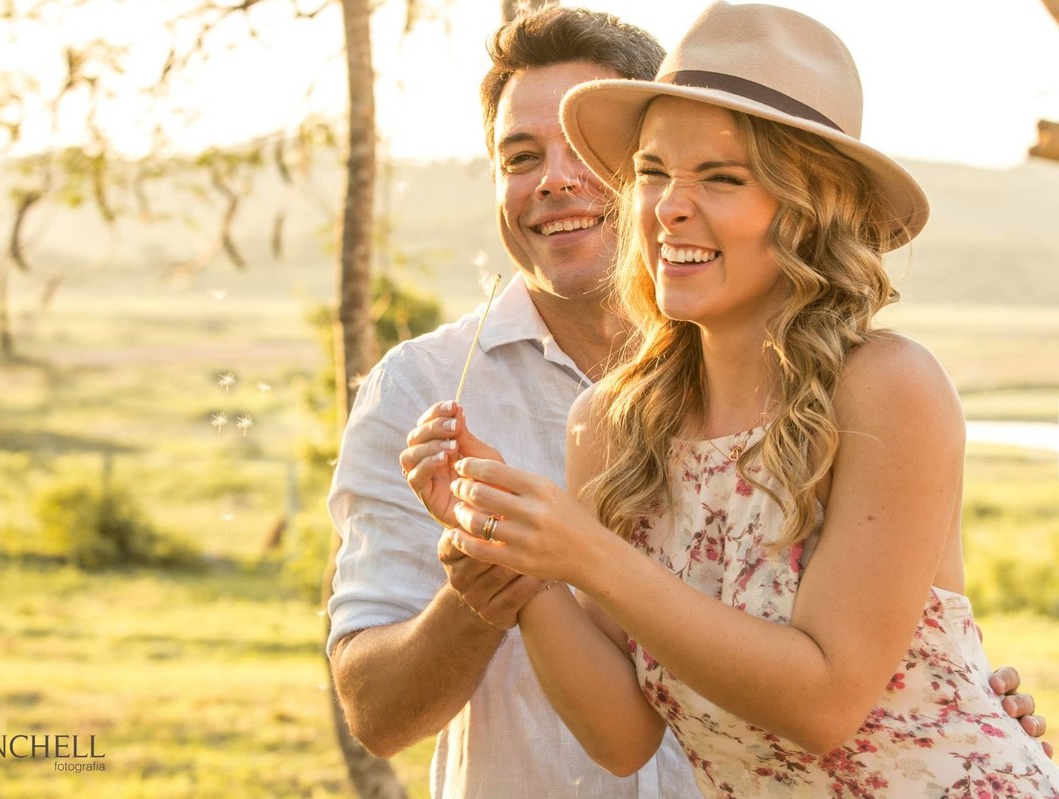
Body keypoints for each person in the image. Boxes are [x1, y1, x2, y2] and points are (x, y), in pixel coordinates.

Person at [407, 3, 1057, 796]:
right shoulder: (610, 426)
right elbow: (622, 736)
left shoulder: (888, 387)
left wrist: (585, 552)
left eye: (721, 177)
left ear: (809, 209)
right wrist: (523, 564)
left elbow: (825, 703)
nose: (668, 207)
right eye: (652, 172)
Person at [327, 8, 700, 798]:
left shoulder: (773, 376)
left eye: (586, 149)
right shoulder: (422, 388)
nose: (552, 180)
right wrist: (482, 590)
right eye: (520, 157)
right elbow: (375, 713)